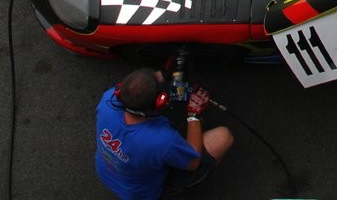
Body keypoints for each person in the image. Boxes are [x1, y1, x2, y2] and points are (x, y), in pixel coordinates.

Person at [95, 68, 234, 199]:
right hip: (141, 194)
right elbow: (193, 162)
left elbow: (136, 86)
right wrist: (193, 114)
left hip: (108, 174)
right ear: (159, 102)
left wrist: (163, 72)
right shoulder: (162, 139)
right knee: (223, 137)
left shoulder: (107, 100)